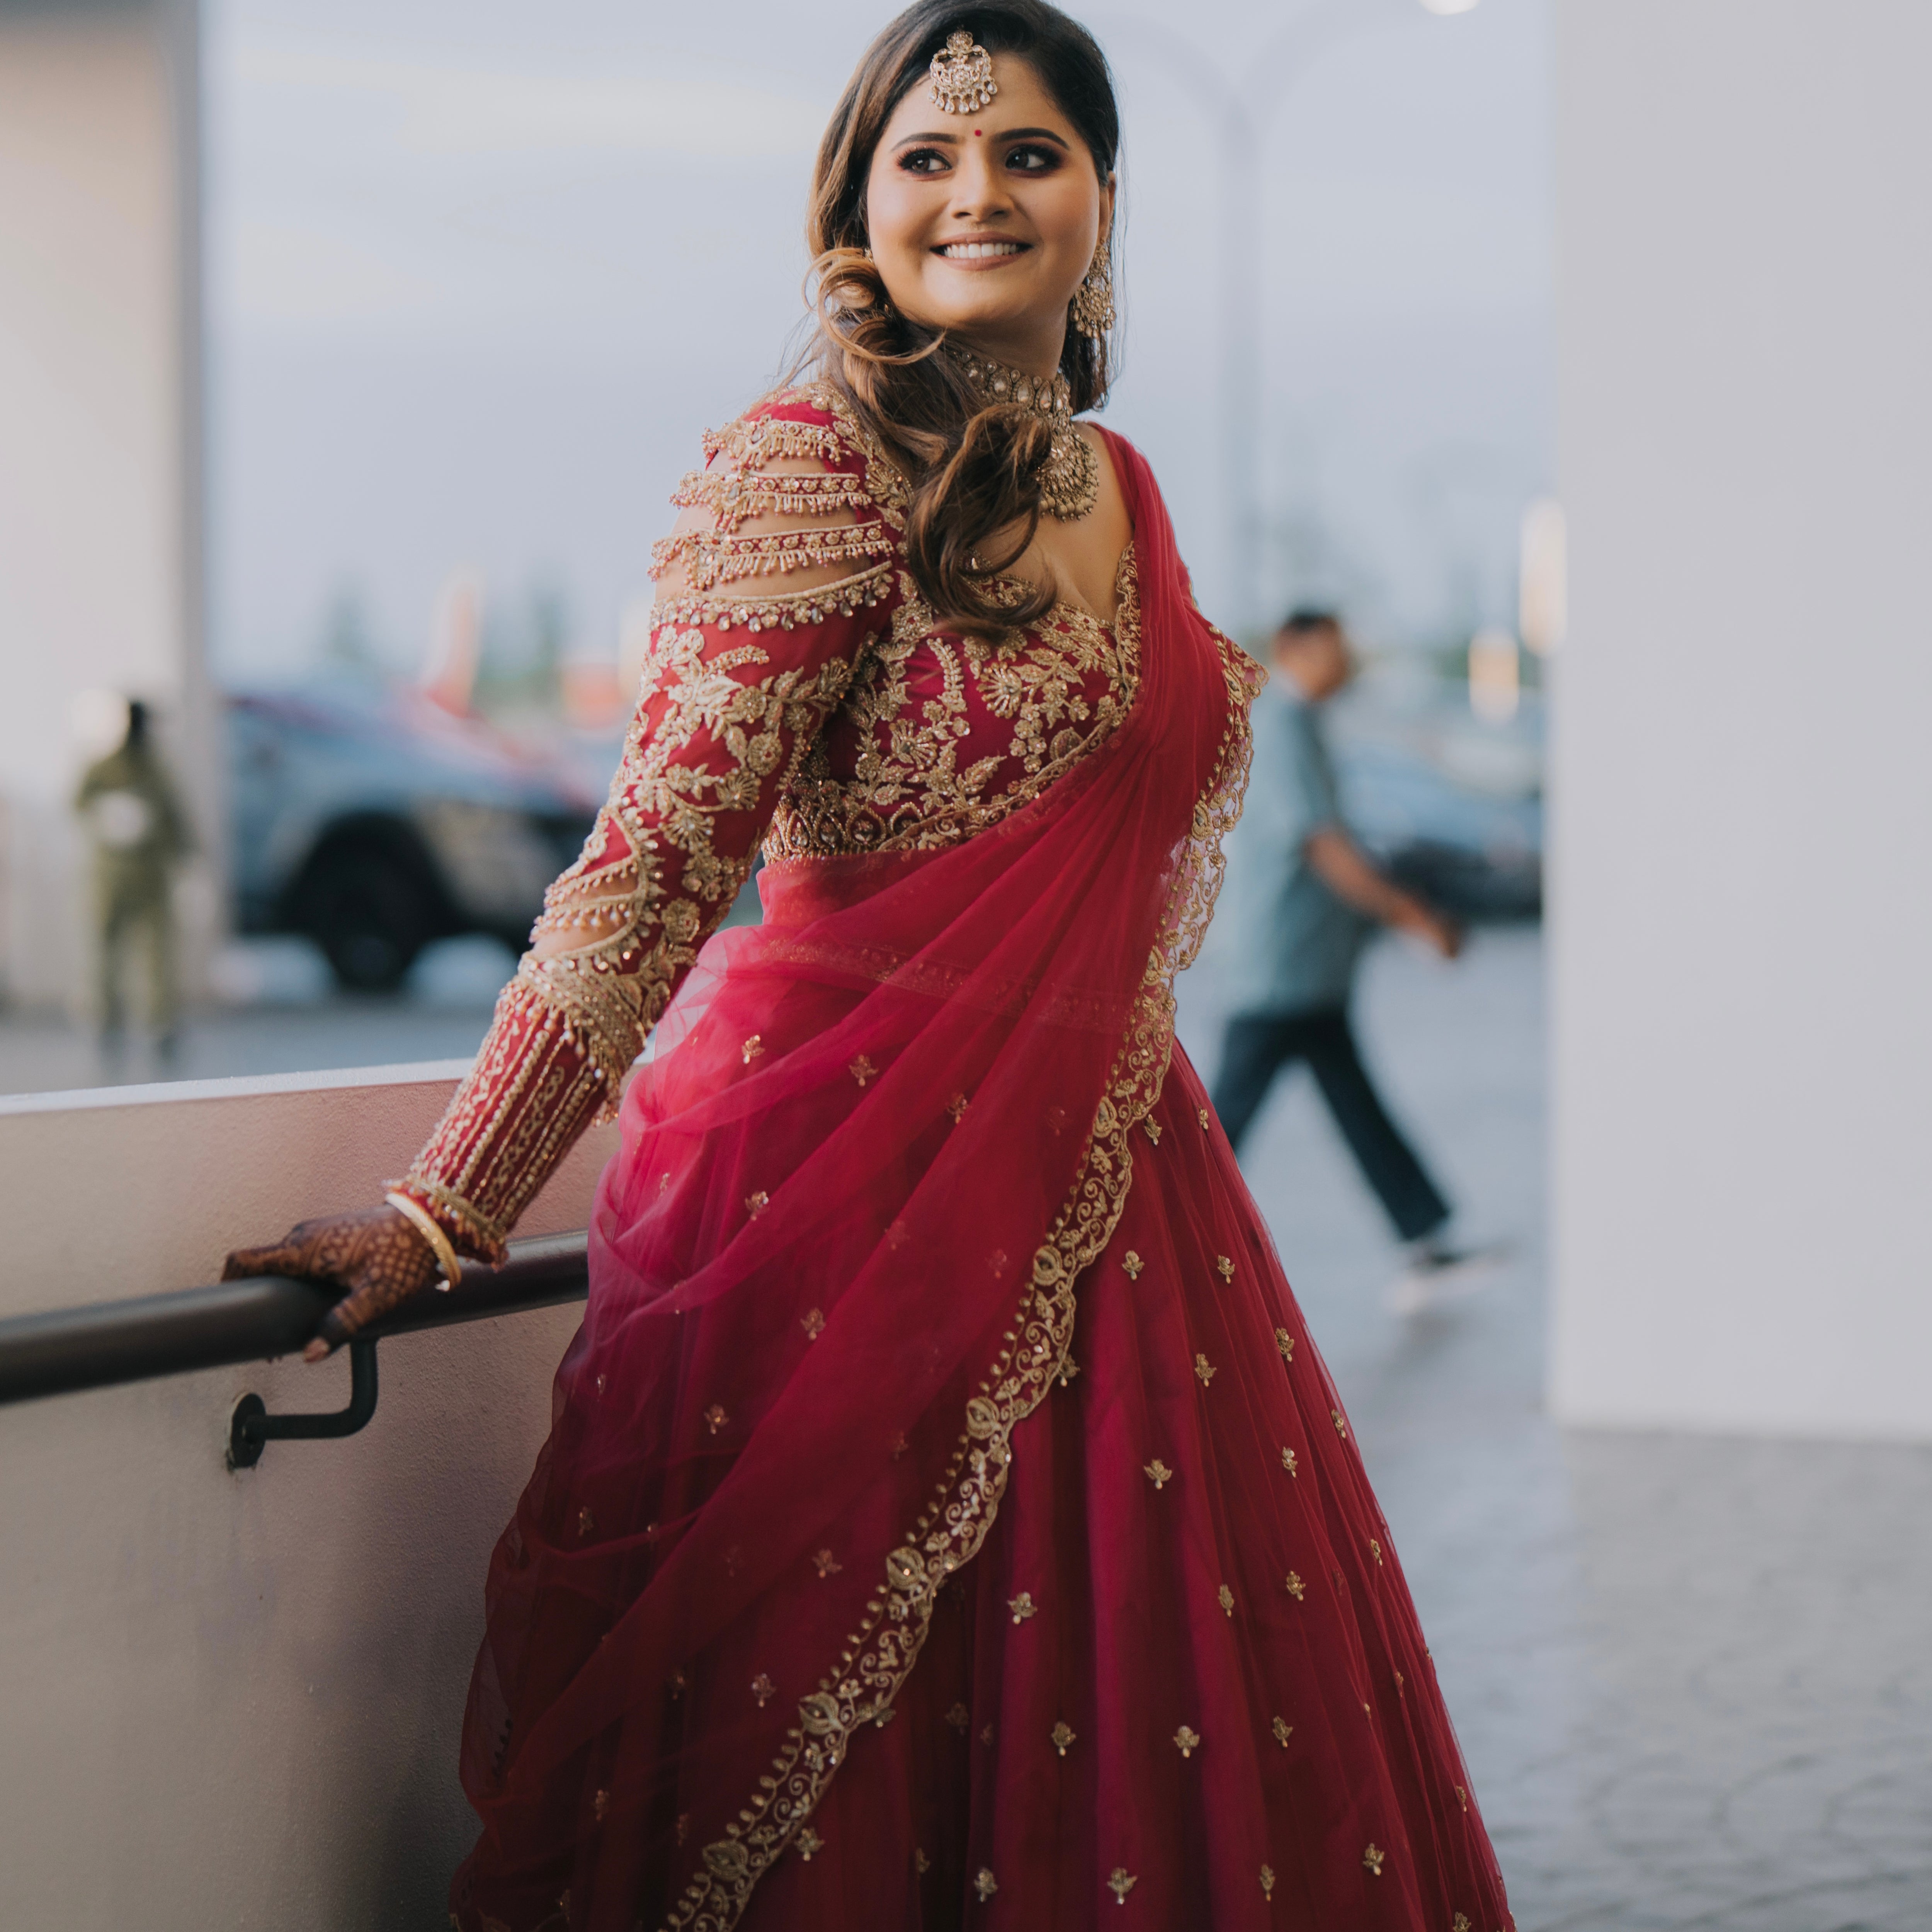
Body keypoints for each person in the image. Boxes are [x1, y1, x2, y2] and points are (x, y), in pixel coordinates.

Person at [226, 9, 1512, 1927]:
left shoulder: (1123, 489)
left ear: (1099, 198)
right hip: (831, 1217)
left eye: (1026, 154)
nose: (976, 192)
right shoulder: (813, 473)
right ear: (855, 206)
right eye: (926, 156)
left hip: (1123, 1230)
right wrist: (443, 1204)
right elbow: (649, 870)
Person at [1212, 612, 1492, 1303]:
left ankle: (1424, 1236)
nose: (1344, 662)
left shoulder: (1304, 724)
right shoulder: (1282, 726)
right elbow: (1324, 847)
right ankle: (1151, 1242)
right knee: (1220, 1125)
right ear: (1293, 649)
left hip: (1311, 974)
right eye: (1331, 649)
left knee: (1350, 1103)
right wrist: (1413, 916)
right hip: (1282, 970)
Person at [74, 697, 190, 1059]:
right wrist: (110, 814)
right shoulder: (106, 767)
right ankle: (106, 1020)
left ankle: (159, 1022)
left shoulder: (155, 769)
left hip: (149, 876)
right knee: (107, 951)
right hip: (111, 876)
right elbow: (78, 804)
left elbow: (174, 820)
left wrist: (188, 862)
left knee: (155, 953)